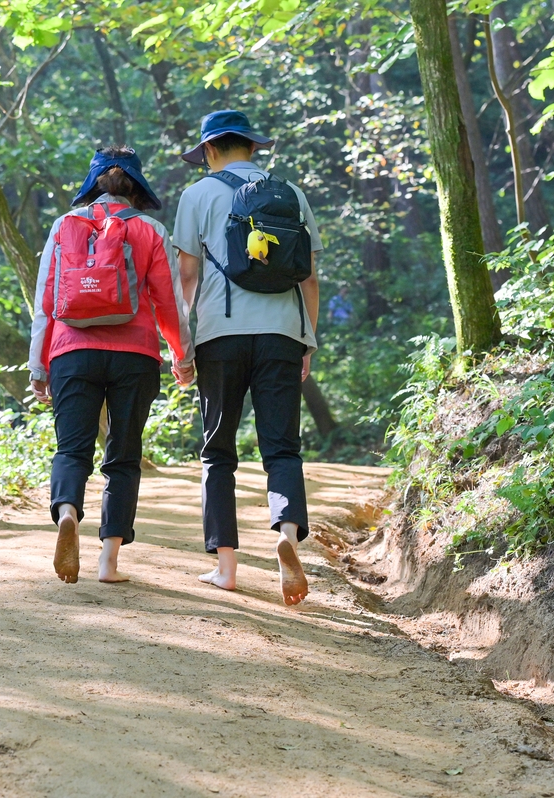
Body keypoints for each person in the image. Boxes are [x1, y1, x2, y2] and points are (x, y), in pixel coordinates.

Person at [172, 110, 322, 606]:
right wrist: (307, 340)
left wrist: (183, 345)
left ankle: (227, 567)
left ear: (210, 151)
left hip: (221, 335)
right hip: (281, 333)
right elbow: (309, 277)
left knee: (218, 450)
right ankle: (286, 531)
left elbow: (187, 277)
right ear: (252, 148)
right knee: (282, 447)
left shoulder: (196, 196)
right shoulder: (292, 194)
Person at [29, 146, 194, 584]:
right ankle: (109, 562)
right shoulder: (151, 229)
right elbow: (170, 305)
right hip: (135, 356)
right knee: (123, 455)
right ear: (136, 187)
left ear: (93, 185)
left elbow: (46, 301)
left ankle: (67, 512)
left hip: (71, 351)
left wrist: (39, 366)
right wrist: (183, 357)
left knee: (72, 448)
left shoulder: (64, 225)